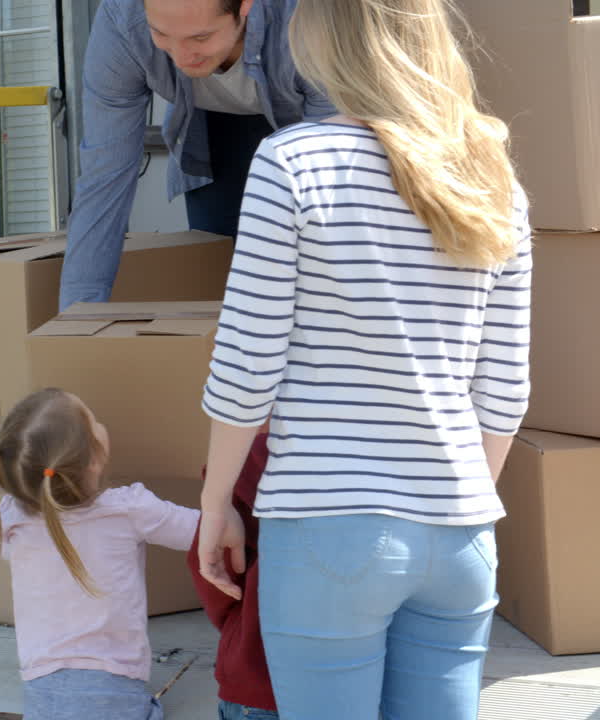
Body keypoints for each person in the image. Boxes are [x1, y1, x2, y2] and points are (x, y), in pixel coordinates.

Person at [195, 0, 532, 717]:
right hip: (461, 531)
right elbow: (504, 389)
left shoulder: (291, 162)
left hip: (327, 527)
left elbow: (247, 368)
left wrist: (216, 502)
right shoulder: (493, 178)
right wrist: (453, 503)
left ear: (322, 37)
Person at [59, 0, 336, 311]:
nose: (181, 58)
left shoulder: (311, 17)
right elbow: (103, 178)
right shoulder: (123, 21)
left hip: (308, 119)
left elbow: (330, 189)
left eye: (200, 37)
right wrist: (78, 317)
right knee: (222, 278)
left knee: (311, 274)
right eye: (161, 34)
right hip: (209, 130)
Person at [0, 387, 198, 720]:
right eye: (94, 421)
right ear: (93, 458)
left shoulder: (11, 517)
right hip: (113, 689)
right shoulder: (129, 509)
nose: (100, 423)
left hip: (41, 690)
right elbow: (202, 533)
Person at [186, 431, 278, 720]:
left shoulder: (249, 461)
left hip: (259, 677)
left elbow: (216, 577)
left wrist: (239, 626)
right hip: (361, 678)